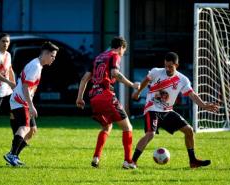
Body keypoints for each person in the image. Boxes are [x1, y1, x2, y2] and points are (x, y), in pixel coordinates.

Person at [131, 52, 219, 168]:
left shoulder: (182, 80)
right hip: (152, 108)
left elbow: (191, 94)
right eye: (166, 65)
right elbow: (147, 80)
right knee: (150, 134)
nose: (167, 68)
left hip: (167, 111)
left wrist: (203, 105)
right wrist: (138, 92)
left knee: (189, 130)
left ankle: (193, 161)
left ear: (176, 65)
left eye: (170, 66)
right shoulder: (156, 72)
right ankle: (132, 162)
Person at [76, 36, 140, 169]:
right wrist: (132, 85)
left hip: (94, 97)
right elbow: (115, 73)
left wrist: (79, 98)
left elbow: (84, 79)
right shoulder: (114, 55)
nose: (122, 54)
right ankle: (128, 161)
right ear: (121, 47)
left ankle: (96, 157)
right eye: (123, 51)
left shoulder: (97, 58)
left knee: (107, 127)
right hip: (106, 95)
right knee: (128, 127)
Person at [4, 41, 59, 166]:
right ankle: (11, 155)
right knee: (25, 127)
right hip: (20, 101)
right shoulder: (35, 66)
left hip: (22, 101)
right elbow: (25, 87)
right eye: (52, 56)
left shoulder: (37, 65)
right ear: (45, 53)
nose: (53, 59)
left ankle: (14, 156)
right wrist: (31, 105)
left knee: (32, 130)